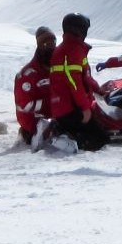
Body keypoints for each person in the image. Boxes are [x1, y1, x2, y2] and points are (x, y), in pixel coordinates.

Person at [46, 13, 109, 151]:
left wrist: (98, 89)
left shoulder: (66, 48)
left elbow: (85, 76)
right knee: (101, 139)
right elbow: (74, 83)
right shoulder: (73, 49)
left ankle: (63, 130)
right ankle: (66, 140)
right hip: (71, 109)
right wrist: (85, 108)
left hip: (62, 107)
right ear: (79, 30)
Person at [14, 26, 56, 145]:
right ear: (39, 45)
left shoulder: (60, 67)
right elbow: (24, 106)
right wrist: (53, 104)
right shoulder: (27, 75)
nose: (50, 47)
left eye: (53, 42)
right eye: (45, 43)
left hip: (60, 117)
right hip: (36, 122)